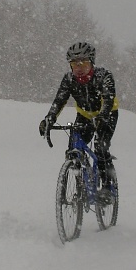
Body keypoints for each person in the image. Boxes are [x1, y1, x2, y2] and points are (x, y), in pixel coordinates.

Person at [39, 42, 119, 203]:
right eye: (75, 63)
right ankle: (80, 186)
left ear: (92, 62)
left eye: (84, 62)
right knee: (73, 149)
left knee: (100, 146)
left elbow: (108, 100)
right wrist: (49, 119)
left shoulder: (104, 76)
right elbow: (59, 101)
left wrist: (102, 116)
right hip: (84, 115)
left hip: (107, 114)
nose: (79, 67)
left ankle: (107, 187)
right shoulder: (69, 80)